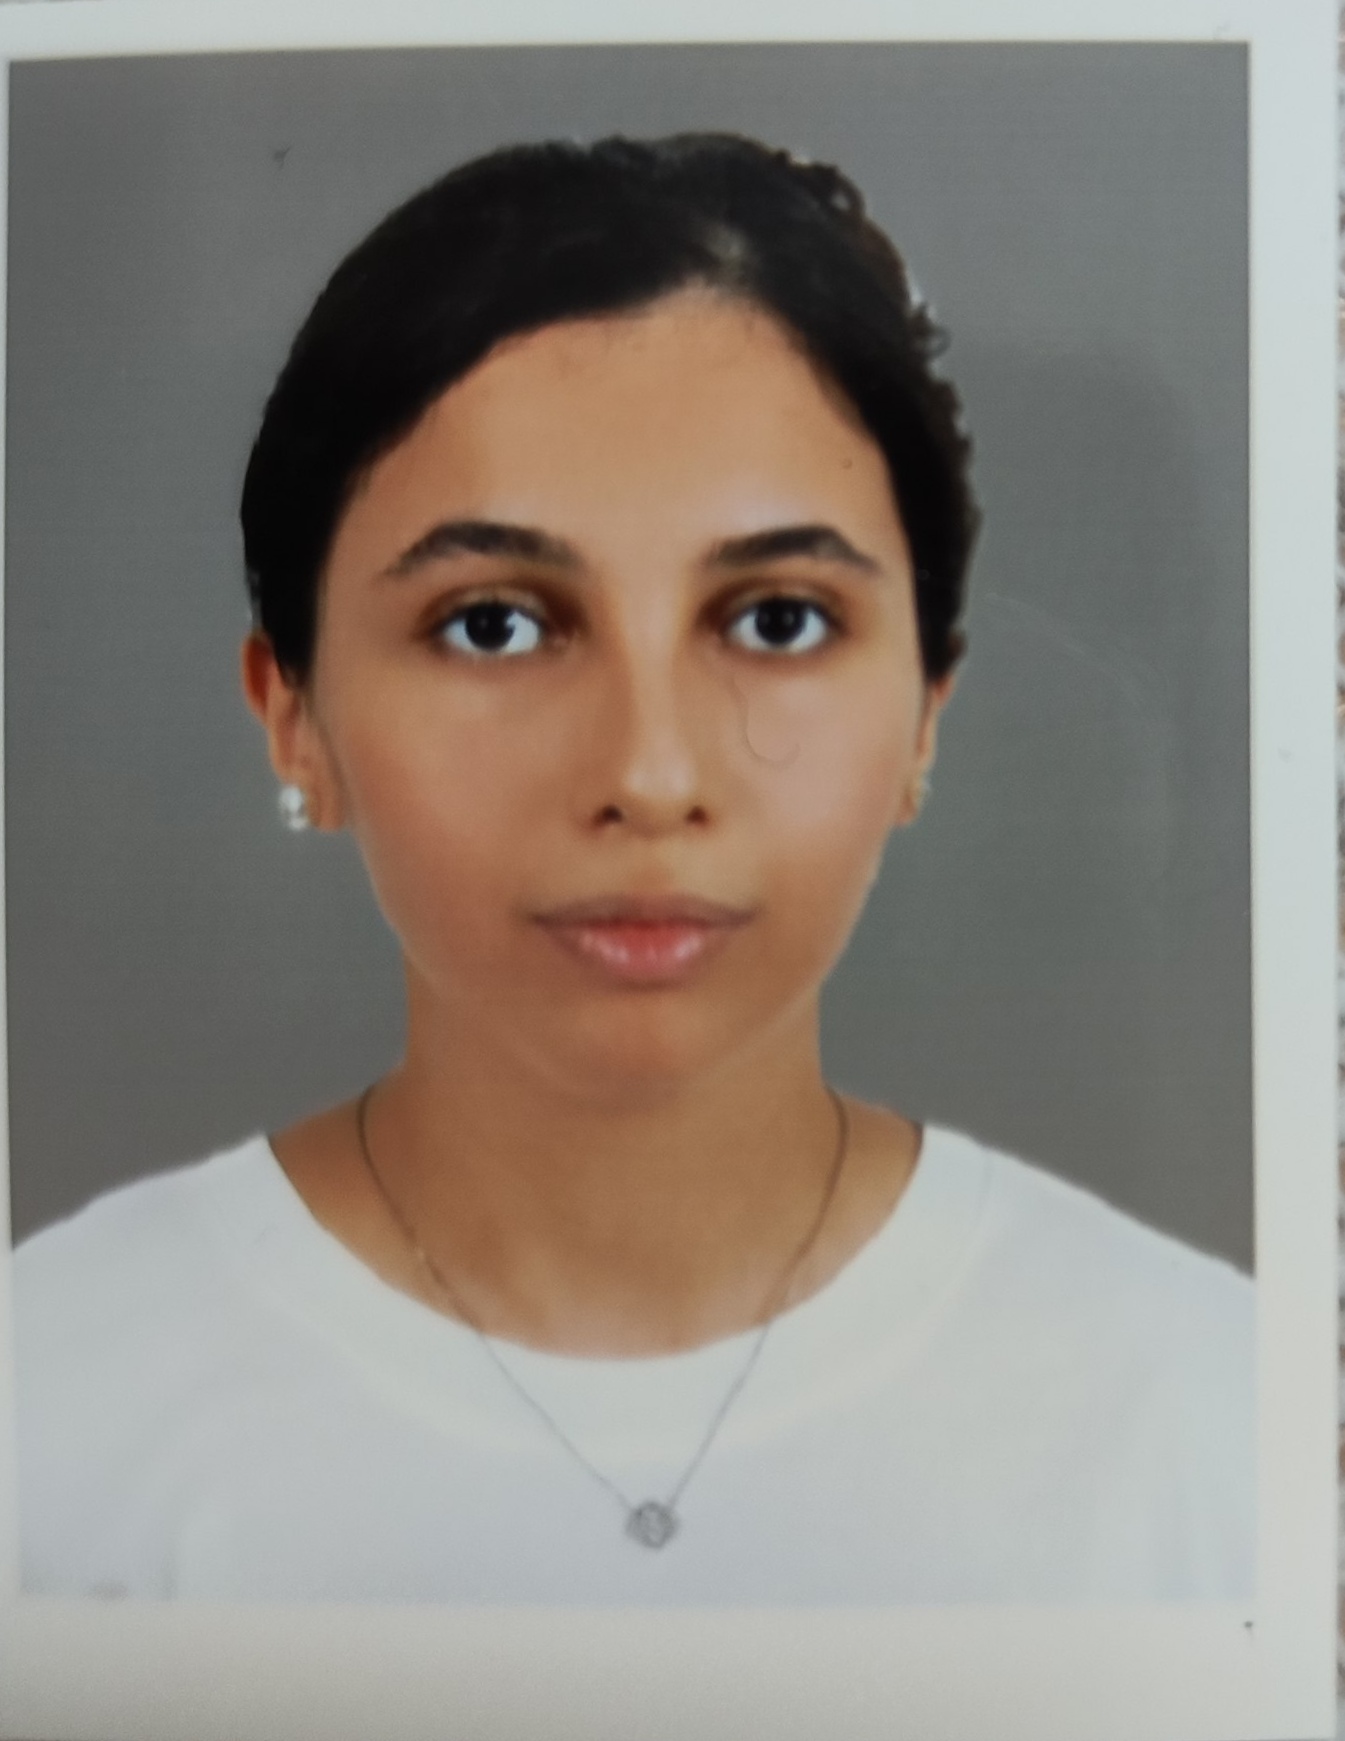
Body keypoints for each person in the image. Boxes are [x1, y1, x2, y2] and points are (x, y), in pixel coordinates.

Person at [13, 133, 1253, 1604]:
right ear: (294, 716)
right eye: (494, 625)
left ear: (926, 709)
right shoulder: (48, 1402)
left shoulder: (1212, 1419)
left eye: (778, 619)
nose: (650, 775)